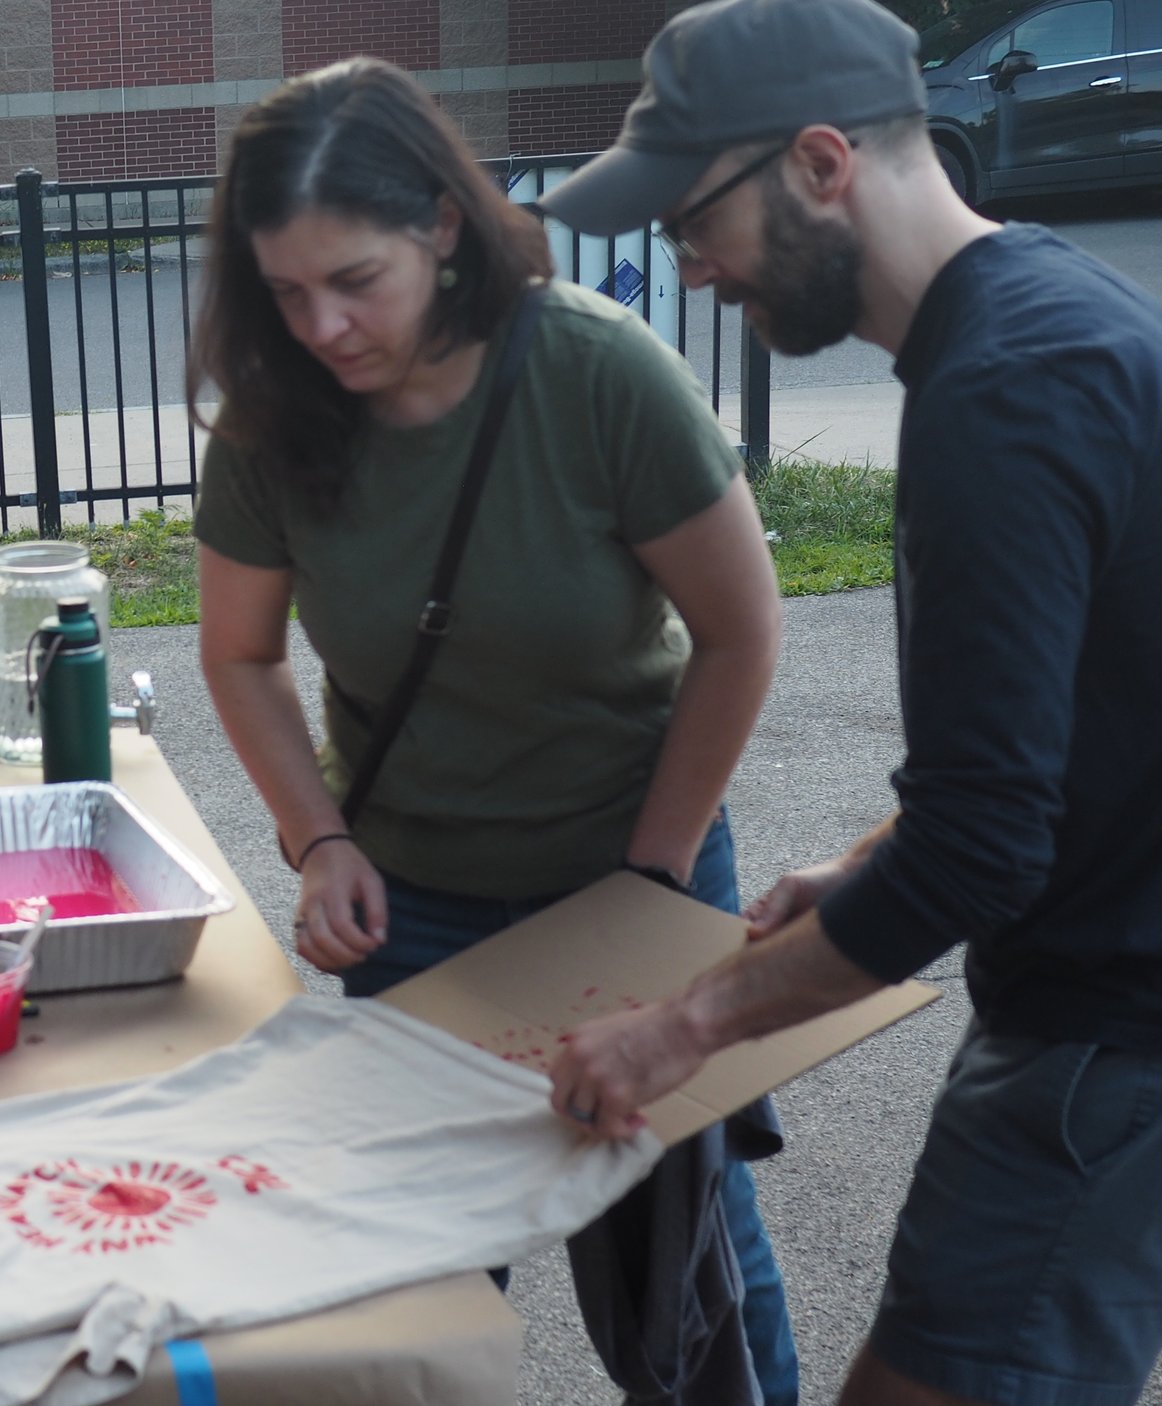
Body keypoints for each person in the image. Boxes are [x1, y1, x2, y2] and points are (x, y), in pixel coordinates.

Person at [537, 1, 1162, 1403]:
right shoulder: (1049, 318)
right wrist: (868, 863)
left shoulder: (1006, 393)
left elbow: (984, 845)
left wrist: (675, 1031)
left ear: (824, 164)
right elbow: (1100, 718)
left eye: (696, 217)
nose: (688, 268)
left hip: (1111, 1040)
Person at [187, 57, 795, 1402]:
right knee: (420, 1288)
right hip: (420, 906)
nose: (322, 327)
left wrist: (651, 880)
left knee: (684, 1268)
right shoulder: (271, 420)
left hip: (631, 869)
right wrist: (318, 839)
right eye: (285, 293)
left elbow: (743, 635)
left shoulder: (598, 369)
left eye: (356, 281)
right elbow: (239, 656)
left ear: (443, 229)